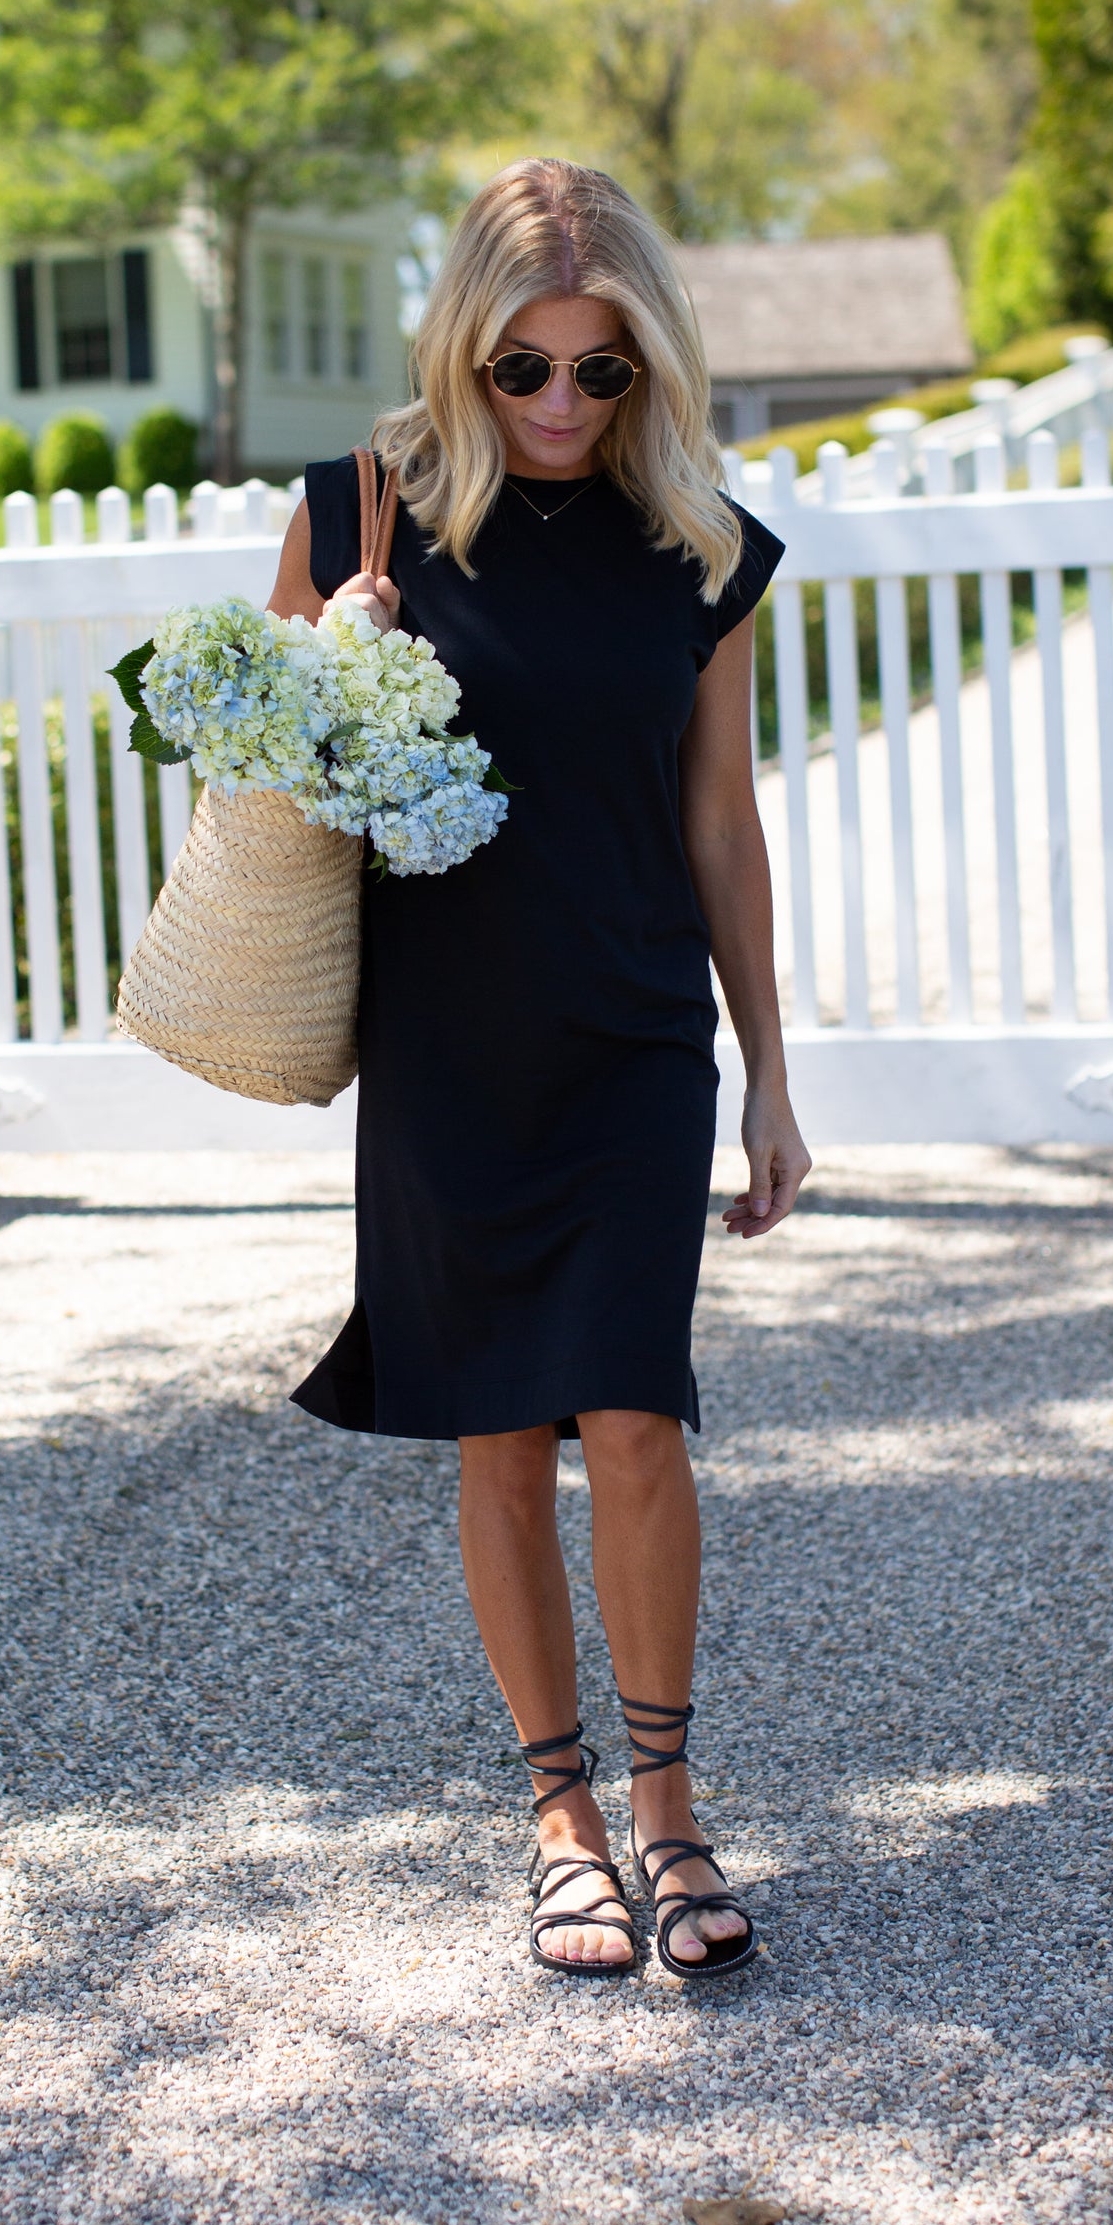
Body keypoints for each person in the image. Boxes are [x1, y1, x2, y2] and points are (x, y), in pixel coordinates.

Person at [267, 157, 810, 1979]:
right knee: (502, 1433)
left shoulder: (701, 546)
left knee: (638, 1417)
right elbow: (273, 790)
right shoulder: (363, 514)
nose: (566, 404)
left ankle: (671, 1815)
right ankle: (558, 1815)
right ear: (462, 354)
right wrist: (342, 667)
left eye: (605, 371)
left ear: (654, 367)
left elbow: (720, 819)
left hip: (638, 1025)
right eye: (526, 370)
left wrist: (771, 1072)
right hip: (451, 1038)